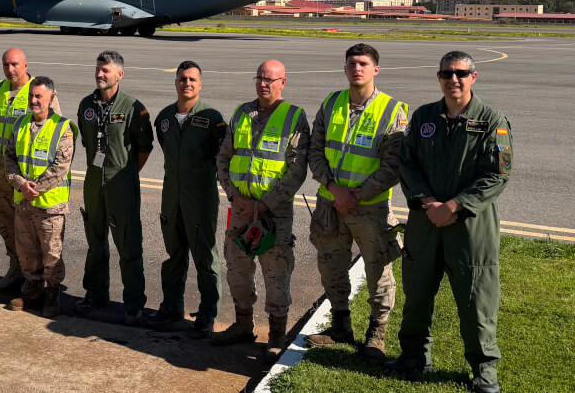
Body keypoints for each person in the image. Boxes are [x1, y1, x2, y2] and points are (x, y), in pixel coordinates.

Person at [387, 50, 513, 393]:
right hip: (425, 221)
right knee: (417, 293)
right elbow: (407, 163)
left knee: (477, 299)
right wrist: (428, 202)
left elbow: (497, 175)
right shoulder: (424, 116)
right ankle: (414, 357)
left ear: (474, 77)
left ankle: (484, 371)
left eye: (460, 73)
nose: (453, 80)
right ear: (438, 77)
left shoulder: (492, 120)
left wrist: (455, 206)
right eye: (446, 74)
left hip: (471, 227)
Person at [305, 43, 409, 360]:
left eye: (363, 63)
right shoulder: (331, 103)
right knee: (331, 266)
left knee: (379, 271)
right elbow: (315, 151)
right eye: (351, 63)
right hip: (330, 205)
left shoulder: (392, 110)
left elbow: (394, 166)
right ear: (345, 68)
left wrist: (358, 195)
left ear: (376, 69)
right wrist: (334, 188)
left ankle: (377, 334)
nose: (357, 68)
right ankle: (340, 326)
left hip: (371, 208)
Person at [213, 59, 310, 354]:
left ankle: (277, 336)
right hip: (240, 209)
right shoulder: (242, 113)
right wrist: (234, 196)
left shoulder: (294, 117)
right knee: (237, 269)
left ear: (283, 83)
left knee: (276, 273)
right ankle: (243, 325)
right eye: (259, 78)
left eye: (270, 80)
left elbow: (297, 170)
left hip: (274, 212)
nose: (263, 84)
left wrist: (264, 204)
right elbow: (223, 158)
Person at [148, 61, 227, 338]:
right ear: (176, 82)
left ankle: (207, 314)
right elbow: (165, 147)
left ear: (200, 84)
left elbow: (221, 156)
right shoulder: (165, 117)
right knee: (174, 253)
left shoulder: (212, 118)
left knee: (205, 255)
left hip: (200, 198)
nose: (187, 83)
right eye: (182, 79)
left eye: (192, 79)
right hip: (172, 195)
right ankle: (172, 307)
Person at [75, 50, 153, 325]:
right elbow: (87, 142)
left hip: (121, 184)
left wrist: (126, 174)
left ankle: (133, 303)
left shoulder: (133, 108)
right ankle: (96, 294)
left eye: (105, 70)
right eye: (98, 69)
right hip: (93, 182)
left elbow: (144, 148)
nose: (99, 74)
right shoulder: (87, 105)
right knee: (95, 241)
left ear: (119, 74)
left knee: (128, 245)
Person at [0, 48, 60, 293]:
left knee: (30, 230)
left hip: (25, 173)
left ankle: (34, 278)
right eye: (6, 65)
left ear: (26, 65)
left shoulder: (38, 92)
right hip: (1, 171)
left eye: (15, 64)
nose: (10, 70)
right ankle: (16, 269)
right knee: (6, 226)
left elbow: (54, 132)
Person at [3, 77, 76, 318]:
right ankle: (33, 289)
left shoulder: (63, 127)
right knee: (27, 250)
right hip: (24, 203)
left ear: (51, 98)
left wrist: (35, 189)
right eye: (31, 96)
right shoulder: (20, 124)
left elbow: (61, 166)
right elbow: (9, 157)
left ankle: (52, 293)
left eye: (39, 96)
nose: (33, 101)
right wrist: (20, 183)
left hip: (50, 205)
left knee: (51, 252)